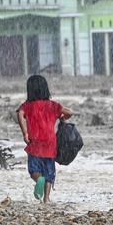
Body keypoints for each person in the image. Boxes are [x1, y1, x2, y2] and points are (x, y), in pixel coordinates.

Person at [16, 74, 73, 203]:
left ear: (29, 90)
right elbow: (69, 112)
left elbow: (20, 114)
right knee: (49, 172)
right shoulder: (53, 105)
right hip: (50, 142)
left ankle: (38, 179)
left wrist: (25, 133)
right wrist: (63, 118)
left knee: (34, 170)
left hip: (35, 141)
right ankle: (47, 199)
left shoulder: (27, 105)